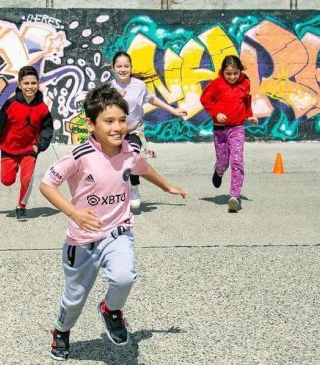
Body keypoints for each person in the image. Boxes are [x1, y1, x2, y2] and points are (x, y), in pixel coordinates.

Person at [39, 84, 187, 361]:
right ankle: (61, 330)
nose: (118, 127)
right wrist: (74, 213)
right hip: (82, 240)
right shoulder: (78, 156)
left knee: (124, 276)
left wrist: (167, 187)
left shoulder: (130, 149)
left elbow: (143, 167)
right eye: (109, 121)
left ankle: (111, 310)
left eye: (122, 120)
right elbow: (47, 186)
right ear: (90, 124)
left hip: (118, 232)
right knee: (75, 298)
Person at [109, 51, 187, 209]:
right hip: (115, 132)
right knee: (116, 165)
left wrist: (173, 110)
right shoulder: (110, 87)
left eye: (126, 66)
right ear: (113, 68)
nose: (123, 69)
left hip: (134, 130)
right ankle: (117, 194)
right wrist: (115, 98)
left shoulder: (139, 85)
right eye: (119, 66)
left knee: (134, 157)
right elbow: (102, 109)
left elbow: (151, 99)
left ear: (131, 67)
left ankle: (134, 187)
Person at [0, 65, 53, 219]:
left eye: (33, 83)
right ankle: (13, 169)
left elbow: (47, 129)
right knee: (7, 181)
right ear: (20, 85)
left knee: (26, 178)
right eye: (26, 83)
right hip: (9, 149)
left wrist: (40, 146)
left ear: (38, 84)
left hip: (30, 149)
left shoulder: (42, 108)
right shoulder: (11, 104)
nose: (30, 87)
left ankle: (21, 206)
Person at [200, 55, 258, 212]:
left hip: (237, 128)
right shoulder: (216, 84)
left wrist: (249, 115)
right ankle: (218, 171)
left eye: (235, 73)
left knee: (237, 160)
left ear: (240, 71)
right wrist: (215, 113)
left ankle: (235, 196)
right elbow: (205, 100)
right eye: (228, 74)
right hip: (220, 129)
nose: (232, 77)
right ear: (222, 72)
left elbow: (246, 101)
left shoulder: (245, 83)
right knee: (223, 162)